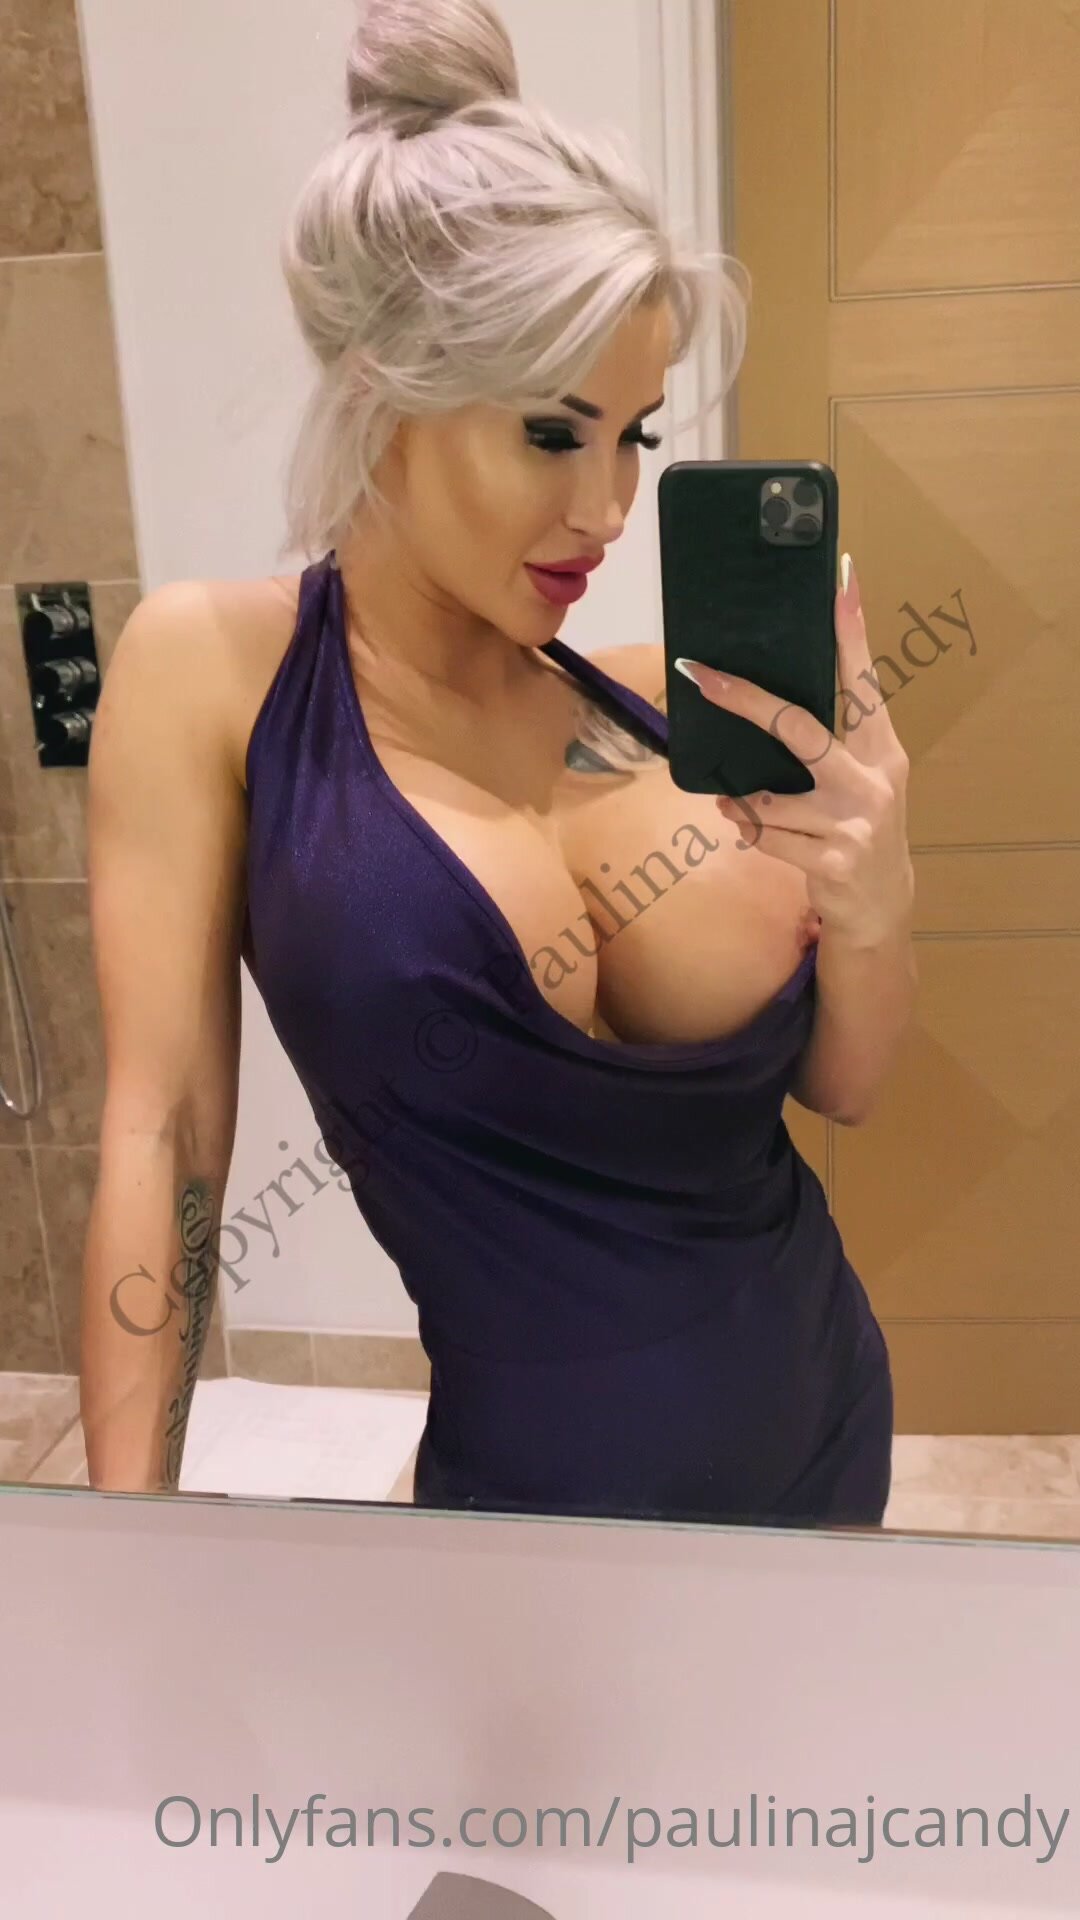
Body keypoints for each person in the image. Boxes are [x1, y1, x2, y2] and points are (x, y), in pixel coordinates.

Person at [80, 0, 915, 1522]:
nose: (607, 510)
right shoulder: (218, 678)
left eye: (635, 438)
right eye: (553, 433)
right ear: (383, 387)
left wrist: (878, 897)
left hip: (829, 1441)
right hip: (527, 1533)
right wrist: (127, 1552)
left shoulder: (667, 703)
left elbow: (846, 1092)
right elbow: (168, 1134)